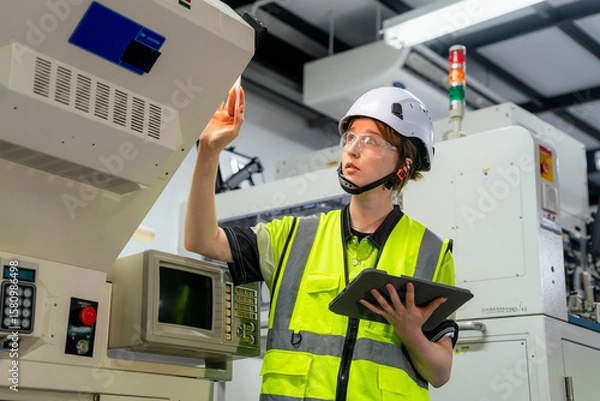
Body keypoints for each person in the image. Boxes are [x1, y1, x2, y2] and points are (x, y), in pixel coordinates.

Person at [185, 85, 457, 401]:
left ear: (405, 164)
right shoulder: (290, 237)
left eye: (370, 141)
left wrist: (411, 333)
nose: (352, 150)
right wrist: (208, 150)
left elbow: (440, 373)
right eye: (350, 138)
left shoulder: (431, 253)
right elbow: (200, 240)